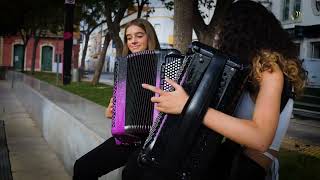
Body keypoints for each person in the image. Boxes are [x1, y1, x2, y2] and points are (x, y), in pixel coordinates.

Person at [134, 1, 307, 180]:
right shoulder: (249, 71)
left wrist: (189, 106)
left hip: (246, 170)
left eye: (223, 30)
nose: (219, 36)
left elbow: (260, 139)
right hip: (226, 160)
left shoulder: (270, 71)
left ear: (240, 33)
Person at [72, 18, 160, 180]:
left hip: (155, 140)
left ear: (149, 37)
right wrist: (113, 113)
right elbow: (117, 107)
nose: (133, 41)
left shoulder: (165, 64)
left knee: (130, 175)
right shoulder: (124, 68)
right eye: (129, 37)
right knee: (83, 167)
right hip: (129, 138)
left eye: (139, 36)